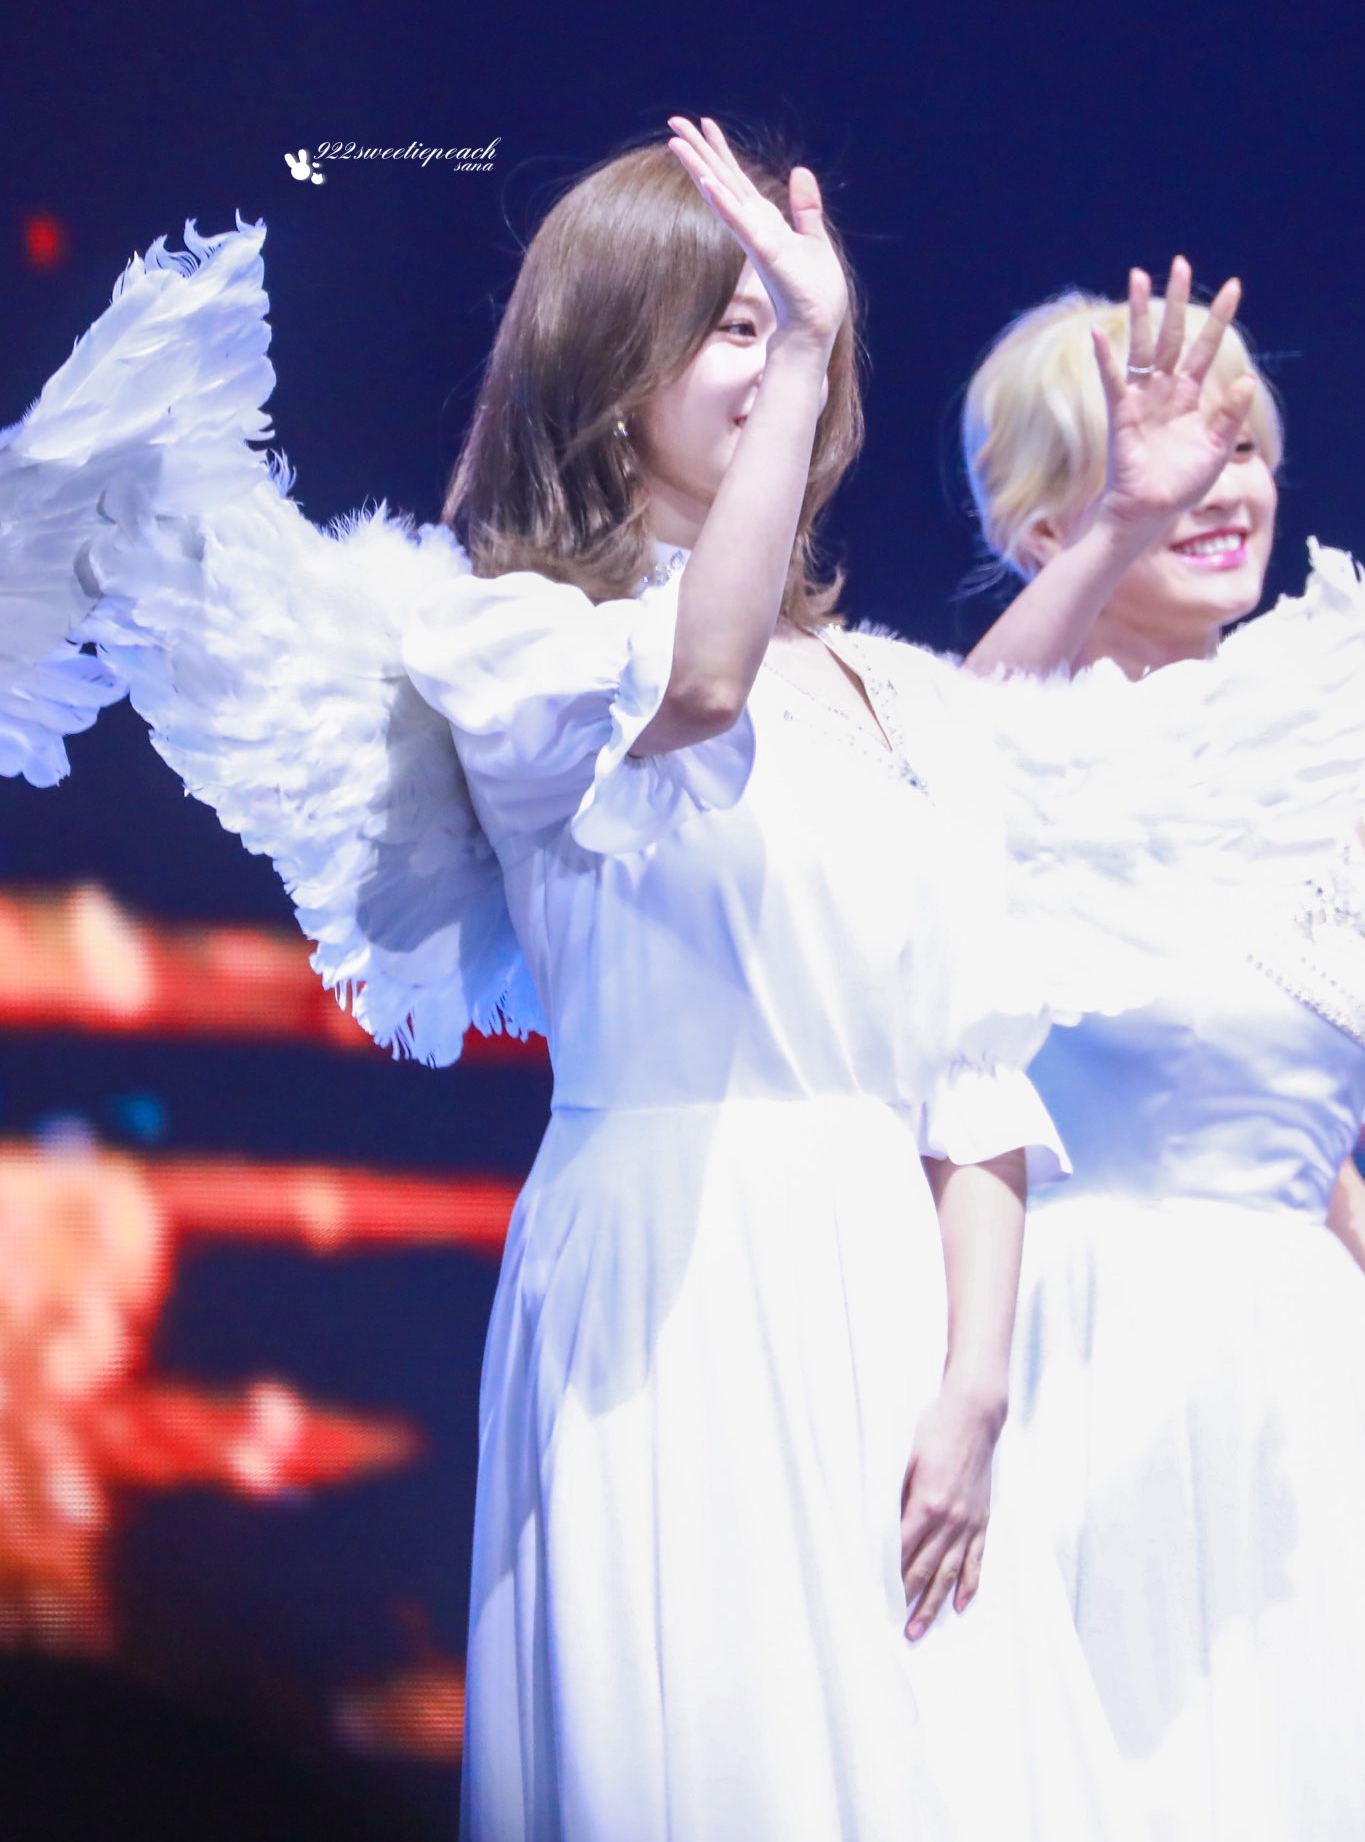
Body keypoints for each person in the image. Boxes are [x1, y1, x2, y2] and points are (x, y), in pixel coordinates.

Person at [0, 122, 1341, 1840]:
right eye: (727, 324)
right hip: (679, 1271)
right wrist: (806, 347)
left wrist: (975, 1377)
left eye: (784, 323)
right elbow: (698, 687)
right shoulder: (515, 644)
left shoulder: (867, 687)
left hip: (882, 1281)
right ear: (610, 363)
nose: (777, 352)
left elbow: (972, 965)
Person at [960, 265, 1365, 1842]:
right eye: (1153, 459)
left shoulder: (1326, 746)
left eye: (1240, 444)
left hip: (1301, 1366)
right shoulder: (1004, 756)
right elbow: (940, 778)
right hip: (1078, 1350)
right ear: (1041, 530)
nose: (1217, 485)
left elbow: (1295, 1134)